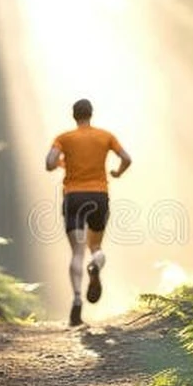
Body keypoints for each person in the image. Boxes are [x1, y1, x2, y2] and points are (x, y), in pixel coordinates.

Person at [45, 99, 131, 326]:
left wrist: (62, 164)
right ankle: (96, 265)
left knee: (76, 252)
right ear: (91, 114)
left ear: (74, 115)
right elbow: (126, 158)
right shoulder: (105, 136)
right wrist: (118, 173)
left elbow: (49, 162)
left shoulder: (64, 138)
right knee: (96, 247)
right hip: (98, 196)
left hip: (73, 197)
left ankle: (76, 300)